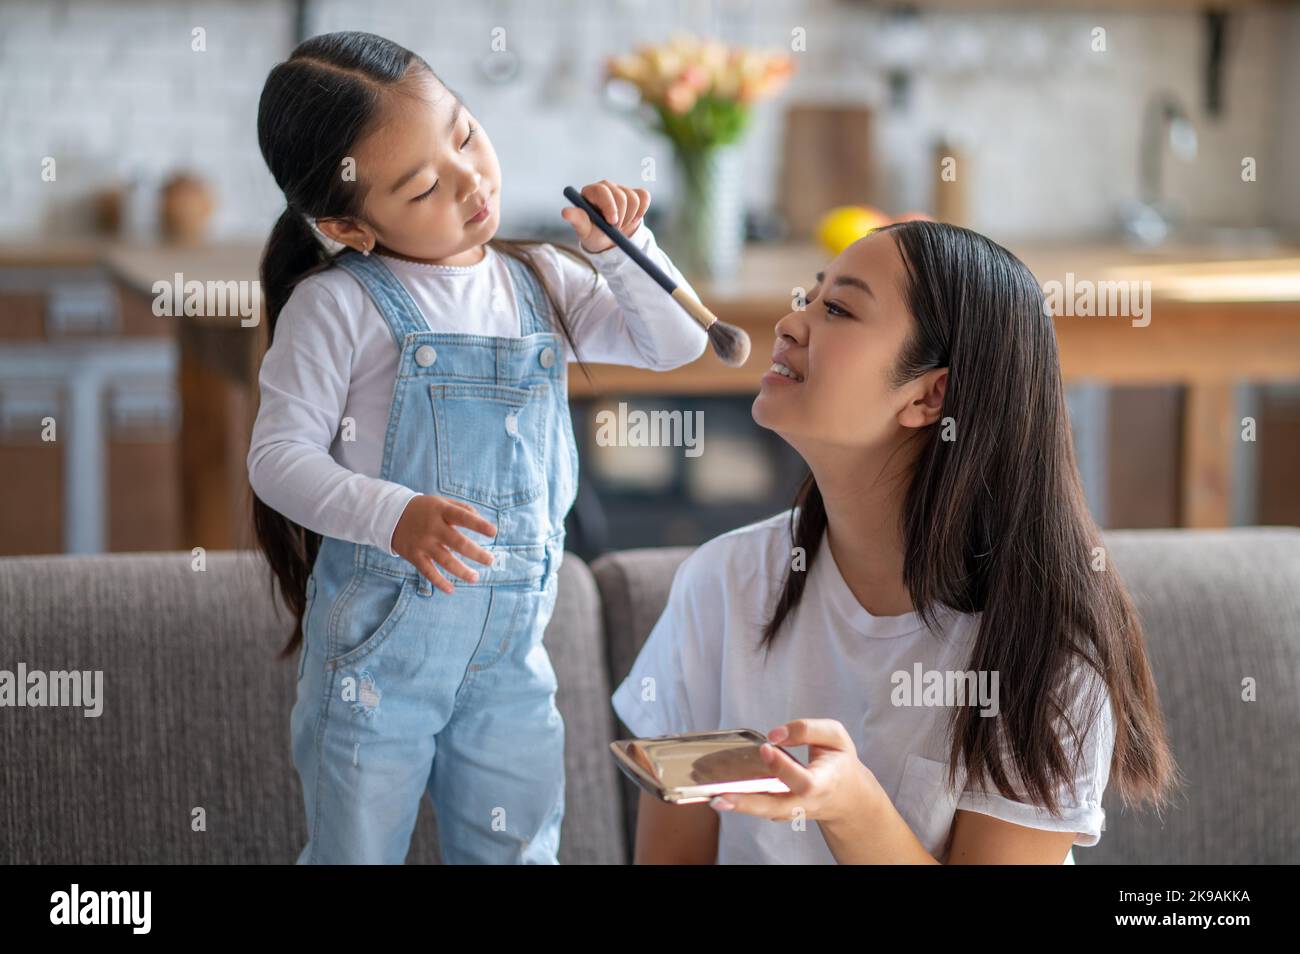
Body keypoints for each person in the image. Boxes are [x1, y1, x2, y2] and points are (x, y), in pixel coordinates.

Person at [247, 31, 707, 864]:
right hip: (378, 656)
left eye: (464, 134)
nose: (471, 183)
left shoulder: (542, 280)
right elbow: (277, 457)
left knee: (521, 850)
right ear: (348, 225)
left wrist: (622, 256)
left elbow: (675, 345)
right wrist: (395, 517)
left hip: (511, 660)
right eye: (424, 187)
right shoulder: (337, 306)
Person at [613, 221, 1180, 863]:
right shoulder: (721, 583)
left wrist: (849, 804)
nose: (790, 324)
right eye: (807, 297)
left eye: (837, 309)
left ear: (930, 394)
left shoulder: (1045, 656)